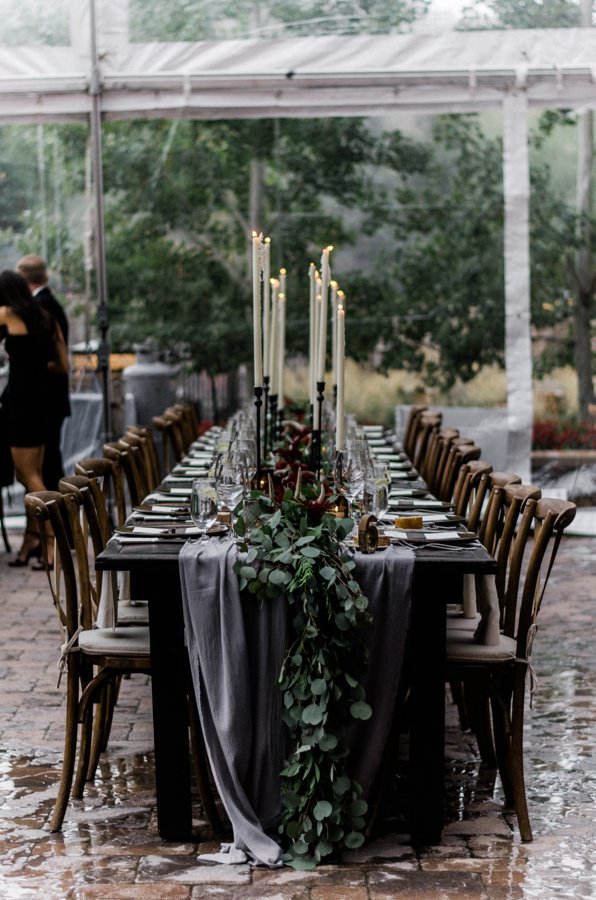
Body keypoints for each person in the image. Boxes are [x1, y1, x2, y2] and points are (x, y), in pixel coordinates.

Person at [0, 270, 68, 567]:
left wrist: (20, 364)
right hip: (42, 402)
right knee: (31, 473)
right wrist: (36, 364)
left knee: (29, 476)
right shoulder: (46, 318)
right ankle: (31, 540)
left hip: (20, 403)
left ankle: (53, 542)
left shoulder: (7, 314)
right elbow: (62, 364)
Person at [16, 255, 71, 491]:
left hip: (43, 398)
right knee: (48, 463)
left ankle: (56, 521)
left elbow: (50, 357)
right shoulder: (52, 303)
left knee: (47, 466)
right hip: (51, 398)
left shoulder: (42, 307)